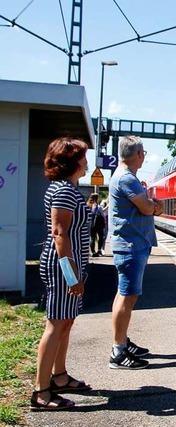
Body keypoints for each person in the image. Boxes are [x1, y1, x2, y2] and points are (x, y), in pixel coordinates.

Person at [33, 137, 92, 410]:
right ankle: (42, 392)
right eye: (82, 156)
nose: (86, 161)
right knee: (56, 325)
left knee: (65, 322)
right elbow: (59, 234)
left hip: (69, 267)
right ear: (72, 162)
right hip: (62, 269)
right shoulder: (65, 192)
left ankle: (59, 376)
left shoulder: (64, 188)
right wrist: (71, 276)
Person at [109, 136, 162, 369]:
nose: (144, 157)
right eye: (143, 153)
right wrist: (155, 206)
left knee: (125, 295)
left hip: (132, 244)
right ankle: (118, 352)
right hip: (130, 245)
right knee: (127, 296)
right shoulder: (127, 178)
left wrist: (152, 205)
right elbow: (147, 207)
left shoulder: (124, 176)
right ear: (137, 154)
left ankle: (122, 342)